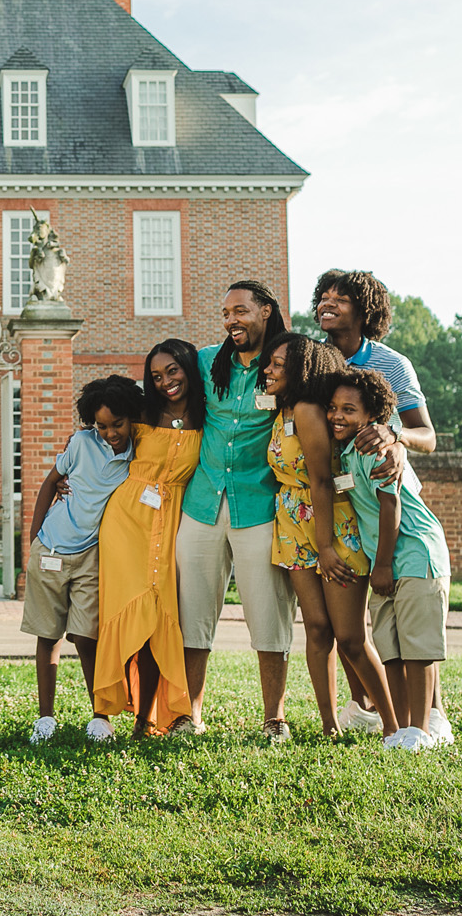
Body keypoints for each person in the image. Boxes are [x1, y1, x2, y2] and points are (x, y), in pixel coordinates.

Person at [311, 268, 449, 734]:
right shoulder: (318, 360)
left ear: (364, 309)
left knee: (414, 619)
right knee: (376, 624)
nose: (327, 303)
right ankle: (368, 708)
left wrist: (394, 435)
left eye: (340, 297)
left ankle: (431, 717)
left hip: (385, 493)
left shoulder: (392, 363)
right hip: (344, 499)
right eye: (323, 296)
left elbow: (428, 436)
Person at [263, 332, 396, 739]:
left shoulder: (306, 410)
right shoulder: (282, 409)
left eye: (278, 365)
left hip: (329, 526)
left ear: (301, 369)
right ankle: (329, 725)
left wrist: (324, 546)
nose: (268, 370)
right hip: (291, 523)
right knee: (317, 628)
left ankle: (394, 727)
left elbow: (322, 481)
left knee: (351, 637)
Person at [178, 281, 292, 741]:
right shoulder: (206, 362)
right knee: (193, 613)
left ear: (265, 311)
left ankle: (274, 718)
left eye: (240, 311)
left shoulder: (286, 364)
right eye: (225, 313)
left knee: (269, 612)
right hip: (202, 504)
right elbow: (158, 390)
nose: (231, 321)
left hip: (259, 505)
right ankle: (189, 715)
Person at [326, 367, 455, 750]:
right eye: (333, 408)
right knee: (392, 649)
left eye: (349, 410)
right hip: (387, 561)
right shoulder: (347, 452)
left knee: (418, 649)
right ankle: (401, 729)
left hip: (415, 555)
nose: (337, 416)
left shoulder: (375, 449)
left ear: (371, 418)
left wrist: (382, 565)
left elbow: (391, 506)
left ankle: (421, 730)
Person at [19, 375, 143, 745]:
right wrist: (34, 536)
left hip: (90, 554)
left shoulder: (139, 451)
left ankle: (100, 716)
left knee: (88, 637)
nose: (110, 433)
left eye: (117, 424)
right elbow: (49, 482)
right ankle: (45, 718)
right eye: (102, 426)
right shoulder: (80, 443)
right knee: (48, 635)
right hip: (51, 548)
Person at [92, 340, 204, 739]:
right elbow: (98, 427)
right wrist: (68, 483)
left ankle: (146, 718)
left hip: (173, 520)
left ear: (188, 368)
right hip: (126, 522)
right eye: (156, 376)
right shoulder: (141, 411)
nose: (166, 382)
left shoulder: (208, 416)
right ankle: (112, 709)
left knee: (158, 622)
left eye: (172, 371)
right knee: (127, 616)